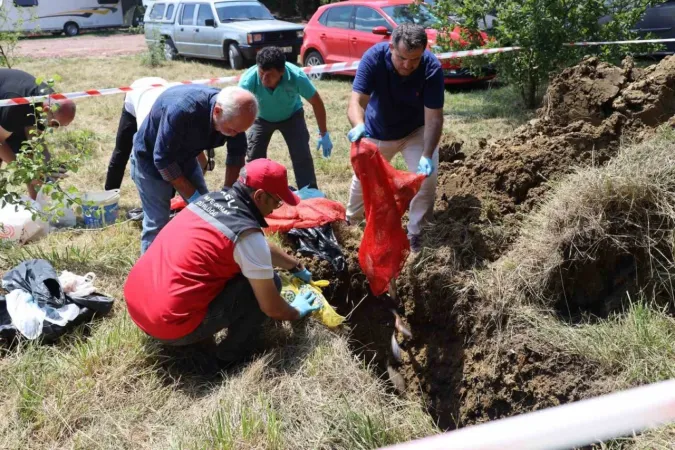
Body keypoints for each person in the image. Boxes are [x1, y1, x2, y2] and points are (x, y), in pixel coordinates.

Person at [124, 158, 320, 365]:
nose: (276, 209)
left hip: (138, 303)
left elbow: (259, 247)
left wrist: (295, 266)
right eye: (277, 201)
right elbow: (272, 308)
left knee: (239, 268)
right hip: (168, 326)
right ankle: (228, 358)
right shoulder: (246, 236)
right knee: (269, 283)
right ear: (260, 196)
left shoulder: (210, 200)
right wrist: (296, 311)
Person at [346, 23, 444, 252]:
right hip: (377, 130)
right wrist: (359, 125)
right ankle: (352, 221)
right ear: (391, 47)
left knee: (427, 180)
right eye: (402, 58)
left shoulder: (431, 68)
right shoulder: (373, 58)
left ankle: (417, 233)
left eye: (415, 59)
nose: (408, 65)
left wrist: (428, 154)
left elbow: (434, 119)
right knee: (363, 177)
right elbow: (356, 102)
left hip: (415, 131)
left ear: (423, 52)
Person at [131, 84, 258, 254]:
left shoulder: (235, 116)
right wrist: (196, 198)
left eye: (239, 131)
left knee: (207, 214)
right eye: (231, 130)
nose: (234, 134)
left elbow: (236, 154)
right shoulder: (182, 111)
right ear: (217, 111)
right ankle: (148, 274)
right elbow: (162, 160)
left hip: (186, 156)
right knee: (157, 222)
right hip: (150, 161)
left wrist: (229, 192)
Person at [239, 46, 331, 191]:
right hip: (261, 118)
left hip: (292, 116)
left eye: (269, 75)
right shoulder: (247, 81)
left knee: (302, 155)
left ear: (281, 72)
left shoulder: (296, 77)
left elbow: (316, 102)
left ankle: (309, 193)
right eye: (261, 72)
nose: (263, 79)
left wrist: (323, 133)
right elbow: (240, 109)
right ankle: (253, 191)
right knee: (254, 157)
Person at [104, 77, 219, 191]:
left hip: (163, 92)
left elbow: (197, 156)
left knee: (173, 163)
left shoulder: (181, 118)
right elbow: (153, 163)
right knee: (122, 151)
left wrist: (196, 175)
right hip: (137, 92)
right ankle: (109, 195)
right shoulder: (148, 130)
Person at [0, 68, 77, 199]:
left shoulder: (48, 102)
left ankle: (36, 206)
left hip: (14, 103)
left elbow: (35, 141)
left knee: (30, 155)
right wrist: (26, 173)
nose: (55, 128)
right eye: (55, 124)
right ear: (47, 110)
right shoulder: (16, 107)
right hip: (8, 101)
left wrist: (48, 169)